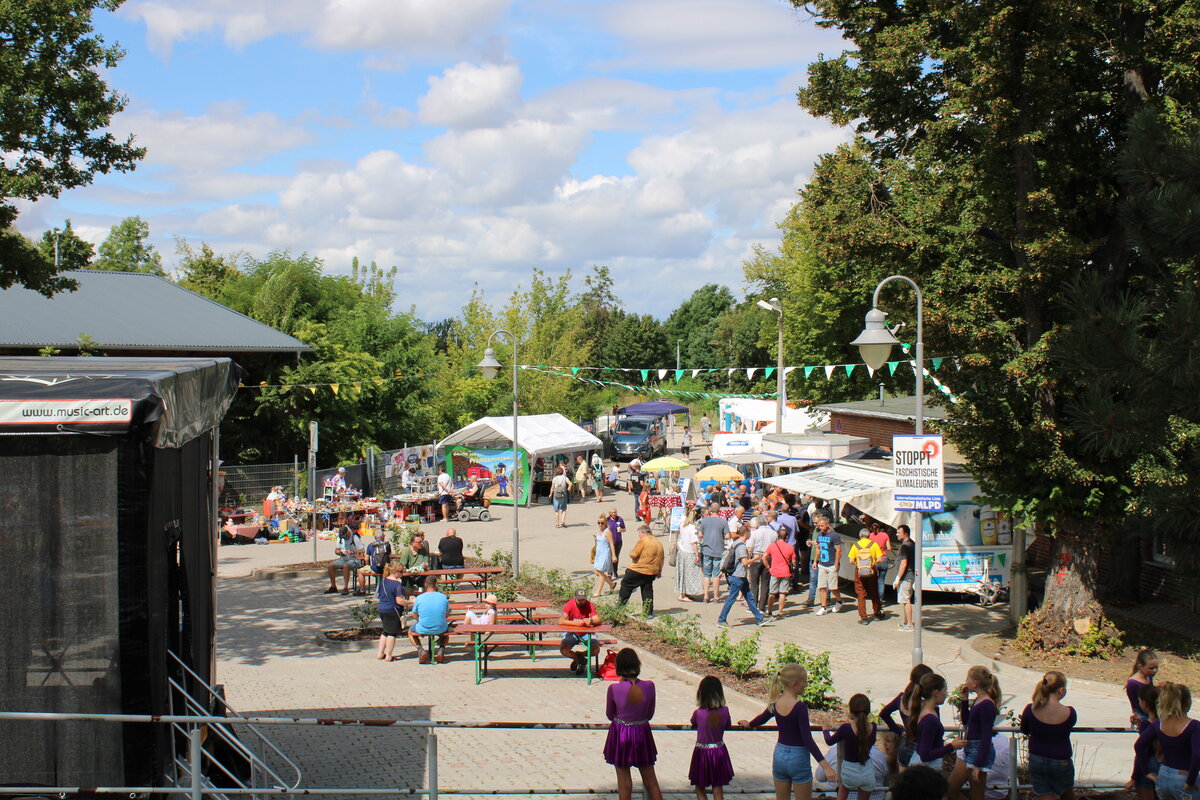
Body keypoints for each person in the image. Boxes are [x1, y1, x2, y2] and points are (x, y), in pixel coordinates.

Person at [741, 663, 837, 800]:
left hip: (780, 755)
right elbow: (807, 739)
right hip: (798, 757)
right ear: (794, 684)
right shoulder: (800, 707)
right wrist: (826, 767)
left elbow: (761, 719)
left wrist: (749, 724)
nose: (806, 684)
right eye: (804, 682)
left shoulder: (775, 702)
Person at [604, 648, 664, 800]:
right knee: (651, 781)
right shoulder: (650, 686)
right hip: (642, 732)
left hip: (621, 733)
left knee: (624, 784)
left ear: (619, 667)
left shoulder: (614, 689)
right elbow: (650, 714)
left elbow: (610, 715)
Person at [1132, 682, 1200, 800]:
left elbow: (1139, 745)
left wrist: (1146, 771)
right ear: (1188, 703)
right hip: (1183, 776)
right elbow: (1197, 755)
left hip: (1163, 775)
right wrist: (1190, 781)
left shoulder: (1160, 723)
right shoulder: (1194, 726)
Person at [1020, 671, 1077, 800]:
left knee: (1044, 794)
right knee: (1067, 794)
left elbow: (1024, 729)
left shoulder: (1031, 709)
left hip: (1037, 758)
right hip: (1060, 760)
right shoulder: (1070, 712)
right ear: (1061, 690)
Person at [949, 666, 1002, 800]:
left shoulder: (986, 705)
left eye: (968, 679)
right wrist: (964, 700)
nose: (965, 681)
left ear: (975, 683)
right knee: (950, 789)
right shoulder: (978, 700)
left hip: (978, 750)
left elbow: (986, 736)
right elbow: (966, 720)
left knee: (977, 794)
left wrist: (978, 764)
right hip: (970, 747)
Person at [905, 672, 965, 770]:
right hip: (926, 770)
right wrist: (952, 746)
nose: (946, 694)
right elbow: (925, 755)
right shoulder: (930, 720)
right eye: (945, 690)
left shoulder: (925, 708)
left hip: (921, 765)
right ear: (936, 693)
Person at [823, 693, 877, 800]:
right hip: (868, 771)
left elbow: (829, 741)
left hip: (850, 772)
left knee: (843, 788)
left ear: (851, 711)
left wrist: (825, 730)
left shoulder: (846, 728)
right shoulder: (873, 727)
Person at [880, 664, 934, 768]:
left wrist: (898, 730)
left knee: (903, 782)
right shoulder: (927, 704)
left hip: (905, 745)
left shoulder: (902, 699)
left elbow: (884, 713)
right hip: (921, 748)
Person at [690, 676, 734, 800]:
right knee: (717, 787)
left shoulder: (699, 713)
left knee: (699, 787)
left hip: (702, 752)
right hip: (719, 750)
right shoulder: (725, 711)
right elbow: (728, 725)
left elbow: (693, 722)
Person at [717, 524, 768, 628]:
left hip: (739, 576)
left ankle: (759, 618)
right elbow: (744, 563)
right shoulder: (741, 546)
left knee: (749, 597)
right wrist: (756, 558)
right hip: (738, 576)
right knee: (731, 598)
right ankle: (721, 620)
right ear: (746, 533)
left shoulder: (735, 543)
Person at [617, 524, 664, 618]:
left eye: (639, 533)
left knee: (626, 585)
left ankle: (620, 607)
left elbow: (634, 554)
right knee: (647, 590)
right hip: (652, 571)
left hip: (639, 569)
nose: (638, 535)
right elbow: (662, 558)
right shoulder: (658, 543)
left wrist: (631, 553)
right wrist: (659, 570)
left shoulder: (643, 541)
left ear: (643, 532)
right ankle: (648, 612)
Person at [1128, 684, 1162, 800]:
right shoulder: (1165, 723)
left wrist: (1134, 777)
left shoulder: (1147, 725)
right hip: (1164, 764)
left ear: (1144, 703)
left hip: (1147, 764)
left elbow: (1141, 752)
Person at [408, 575, 451, 663]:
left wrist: (420, 621)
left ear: (425, 585)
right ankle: (441, 649)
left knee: (410, 632)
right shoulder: (443, 597)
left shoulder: (419, 598)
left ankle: (420, 649)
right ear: (436, 584)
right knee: (446, 632)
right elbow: (446, 615)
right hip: (440, 627)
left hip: (423, 627)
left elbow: (415, 615)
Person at [559, 588, 603, 675]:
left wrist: (591, 621)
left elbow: (598, 620)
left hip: (586, 633)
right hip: (572, 632)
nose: (582, 602)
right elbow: (561, 621)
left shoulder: (589, 605)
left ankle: (580, 656)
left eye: (583, 599)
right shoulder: (569, 605)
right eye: (579, 600)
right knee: (564, 649)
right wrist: (576, 623)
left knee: (595, 650)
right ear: (575, 598)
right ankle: (580, 660)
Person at [848, 529, 884, 625]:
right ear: (869, 536)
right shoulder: (874, 545)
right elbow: (880, 559)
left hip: (859, 572)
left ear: (860, 536)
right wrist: (872, 564)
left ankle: (864, 618)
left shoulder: (856, 545)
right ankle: (877, 613)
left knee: (861, 594)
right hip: (872, 571)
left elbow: (851, 561)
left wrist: (859, 564)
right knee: (874, 593)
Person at [375, 562, 407, 661]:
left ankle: (380, 653)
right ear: (394, 572)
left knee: (385, 631)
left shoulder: (383, 581)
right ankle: (389, 655)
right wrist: (410, 602)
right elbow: (399, 601)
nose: (403, 574)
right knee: (392, 633)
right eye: (401, 572)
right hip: (393, 610)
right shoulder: (397, 584)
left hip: (382, 608)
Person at [812, 514, 843, 615]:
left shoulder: (834, 535)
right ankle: (823, 607)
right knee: (822, 587)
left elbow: (838, 550)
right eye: (819, 526)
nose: (820, 527)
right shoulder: (819, 535)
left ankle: (839, 600)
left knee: (833, 587)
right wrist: (815, 561)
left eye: (822, 525)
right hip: (822, 564)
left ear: (827, 525)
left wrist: (836, 564)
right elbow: (818, 549)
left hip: (831, 564)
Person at [762, 527, 796, 618]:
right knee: (783, 593)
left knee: (772, 593)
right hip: (785, 572)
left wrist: (768, 567)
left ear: (777, 536)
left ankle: (769, 611)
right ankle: (780, 612)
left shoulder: (772, 546)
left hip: (774, 571)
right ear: (787, 537)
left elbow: (764, 557)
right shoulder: (790, 547)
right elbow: (794, 562)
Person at [699, 505, 728, 603]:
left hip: (707, 549)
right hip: (718, 550)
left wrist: (706, 536)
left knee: (707, 575)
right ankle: (716, 596)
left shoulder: (705, 521)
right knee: (716, 575)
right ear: (719, 511)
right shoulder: (723, 521)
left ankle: (706, 596)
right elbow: (728, 536)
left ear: (710, 510)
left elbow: (699, 534)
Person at [325, 524, 364, 595]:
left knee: (346, 566)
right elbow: (336, 550)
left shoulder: (354, 537)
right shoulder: (340, 538)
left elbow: (362, 550)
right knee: (330, 566)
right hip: (343, 558)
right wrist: (340, 552)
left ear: (348, 533)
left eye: (345, 536)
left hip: (354, 559)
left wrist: (353, 552)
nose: (344, 538)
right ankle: (333, 586)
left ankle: (345, 588)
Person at [747, 515, 775, 608]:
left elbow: (750, 548)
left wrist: (749, 558)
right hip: (768, 557)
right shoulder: (773, 533)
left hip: (756, 556)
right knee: (765, 582)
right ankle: (762, 605)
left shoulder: (754, 533)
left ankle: (753, 604)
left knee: (754, 583)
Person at [1127, 649, 1160, 730]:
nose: (1155, 671)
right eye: (1151, 668)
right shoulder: (1133, 683)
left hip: (1154, 714)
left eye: (1156, 667)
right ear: (1140, 666)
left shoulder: (1148, 677)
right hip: (1143, 717)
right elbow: (1134, 704)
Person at [675, 510, 703, 602]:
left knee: (682, 572)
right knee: (689, 573)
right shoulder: (692, 528)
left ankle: (684, 592)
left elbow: (678, 535)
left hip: (682, 551)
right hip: (689, 552)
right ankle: (682, 595)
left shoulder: (683, 524)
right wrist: (697, 554)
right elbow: (693, 542)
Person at [892, 525, 916, 631]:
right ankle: (905, 621)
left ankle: (909, 625)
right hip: (910, 575)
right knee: (905, 599)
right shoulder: (912, 543)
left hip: (906, 576)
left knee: (905, 600)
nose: (897, 534)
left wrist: (897, 578)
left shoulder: (905, 546)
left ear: (906, 533)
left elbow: (903, 563)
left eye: (899, 532)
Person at [356, 529, 393, 594]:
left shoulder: (371, 545)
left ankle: (362, 590)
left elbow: (366, 558)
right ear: (383, 537)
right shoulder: (387, 545)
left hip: (375, 568)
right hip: (385, 568)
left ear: (375, 537)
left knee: (360, 572)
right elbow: (389, 555)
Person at [593, 515, 617, 597]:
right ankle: (611, 584)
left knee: (601, 572)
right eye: (598, 523)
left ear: (605, 523)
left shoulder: (608, 532)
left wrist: (614, 556)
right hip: (598, 553)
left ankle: (598, 592)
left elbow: (611, 544)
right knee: (597, 572)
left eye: (602, 523)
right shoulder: (599, 530)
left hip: (605, 554)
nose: (600, 524)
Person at [867, 523, 891, 606]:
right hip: (883, 558)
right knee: (881, 580)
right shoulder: (885, 535)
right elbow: (889, 548)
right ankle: (880, 599)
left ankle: (874, 599)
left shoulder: (870, 536)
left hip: (874, 559)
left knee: (873, 580)